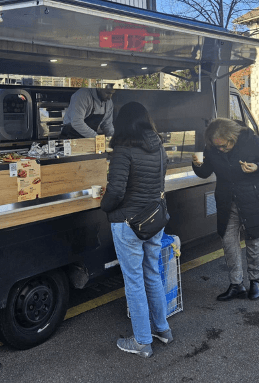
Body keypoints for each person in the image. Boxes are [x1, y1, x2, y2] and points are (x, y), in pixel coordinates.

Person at [100, 101, 172, 358]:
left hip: (128, 223)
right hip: (153, 220)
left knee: (134, 282)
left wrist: (104, 206)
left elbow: (116, 192)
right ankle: (162, 329)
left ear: (122, 123)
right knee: (152, 273)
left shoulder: (123, 150)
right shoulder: (159, 146)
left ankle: (142, 341)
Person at [192, 118, 259, 301]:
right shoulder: (212, 146)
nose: (220, 150)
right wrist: (197, 164)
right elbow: (205, 172)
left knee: (254, 243)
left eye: (224, 146)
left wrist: (257, 167)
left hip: (254, 200)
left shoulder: (251, 141)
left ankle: (255, 281)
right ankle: (236, 284)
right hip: (227, 201)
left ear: (233, 137)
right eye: (217, 147)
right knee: (229, 243)